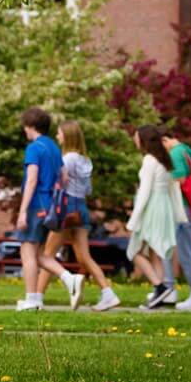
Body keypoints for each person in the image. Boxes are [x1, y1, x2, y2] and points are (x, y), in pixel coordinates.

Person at [37, 121, 119, 311]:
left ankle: (36, 299)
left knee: (47, 254)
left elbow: (56, 180)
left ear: (67, 135)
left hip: (66, 208)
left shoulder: (67, 159)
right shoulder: (84, 160)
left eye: (59, 133)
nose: (57, 137)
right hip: (80, 208)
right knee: (84, 257)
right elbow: (88, 189)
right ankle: (108, 294)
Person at [14, 107, 84, 312]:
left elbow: (32, 179)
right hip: (51, 207)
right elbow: (64, 177)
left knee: (27, 253)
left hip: (36, 205)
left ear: (30, 126)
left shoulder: (34, 148)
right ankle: (69, 279)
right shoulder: (53, 147)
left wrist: (22, 211)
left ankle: (32, 299)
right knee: (39, 255)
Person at [126, 125, 183, 309]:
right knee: (154, 253)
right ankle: (162, 292)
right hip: (163, 207)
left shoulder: (150, 160)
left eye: (136, 137)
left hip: (153, 208)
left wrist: (134, 219)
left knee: (134, 251)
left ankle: (159, 287)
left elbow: (144, 192)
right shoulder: (164, 160)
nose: (135, 140)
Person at [163, 132, 191, 312]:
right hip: (185, 208)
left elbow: (181, 179)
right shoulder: (185, 151)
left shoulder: (175, 154)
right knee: (184, 251)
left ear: (165, 140)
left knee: (185, 252)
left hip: (181, 209)